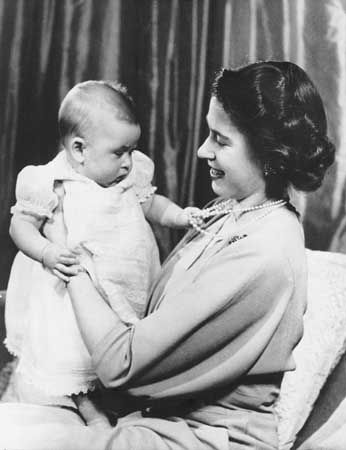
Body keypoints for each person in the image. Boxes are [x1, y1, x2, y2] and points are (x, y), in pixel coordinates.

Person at [0, 61, 335, 449]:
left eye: (220, 140)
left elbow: (120, 363)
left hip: (202, 440)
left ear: (269, 154)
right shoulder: (233, 211)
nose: (201, 150)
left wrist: (64, 248)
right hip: (150, 416)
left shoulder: (264, 251)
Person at [3, 80, 197, 405]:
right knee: (75, 347)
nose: (128, 162)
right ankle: (86, 405)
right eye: (119, 152)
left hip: (125, 276)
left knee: (121, 339)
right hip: (71, 288)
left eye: (132, 151)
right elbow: (20, 227)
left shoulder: (129, 175)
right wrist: (48, 252)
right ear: (79, 149)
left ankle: (118, 391)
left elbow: (151, 204)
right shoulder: (51, 183)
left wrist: (180, 216)